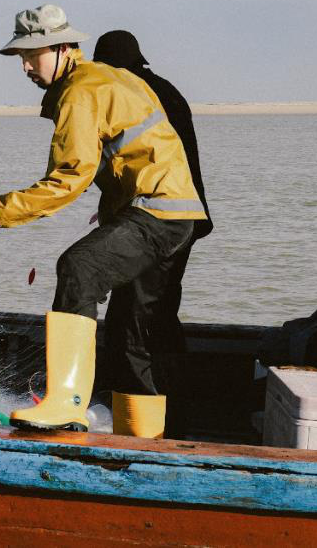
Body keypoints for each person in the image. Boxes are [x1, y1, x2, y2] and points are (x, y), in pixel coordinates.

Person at [0, 5, 206, 438]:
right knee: (131, 331)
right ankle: (141, 436)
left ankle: (66, 404)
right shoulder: (104, 79)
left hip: (158, 211)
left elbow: (69, 178)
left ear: (64, 48)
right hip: (176, 212)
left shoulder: (81, 91)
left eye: (34, 54)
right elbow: (127, 161)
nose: (27, 66)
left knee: (78, 268)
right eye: (21, 57)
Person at [92, 30, 213, 422]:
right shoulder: (167, 89)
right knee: (160, 307)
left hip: (155, 216)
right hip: (186, 216)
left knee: (131, 315)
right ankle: (177, 400)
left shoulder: (129, 91)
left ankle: (135, 412)